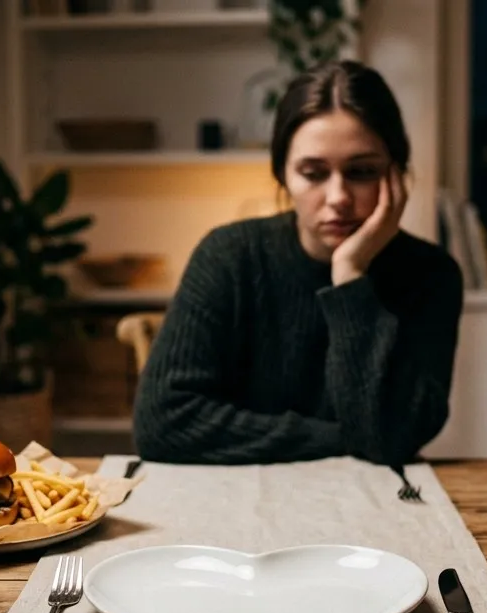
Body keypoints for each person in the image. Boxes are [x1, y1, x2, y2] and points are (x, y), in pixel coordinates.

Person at [131, 60, 464, 465]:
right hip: (233, 499)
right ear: (283, 175)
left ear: (396, 175)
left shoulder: (430, 274)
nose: (338, 196)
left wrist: (350, 280)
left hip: (371, 506)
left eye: (361, 172)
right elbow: (162, 425)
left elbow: (396, 439)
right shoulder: (230, 256)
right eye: (313, 173)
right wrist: (344, 439)